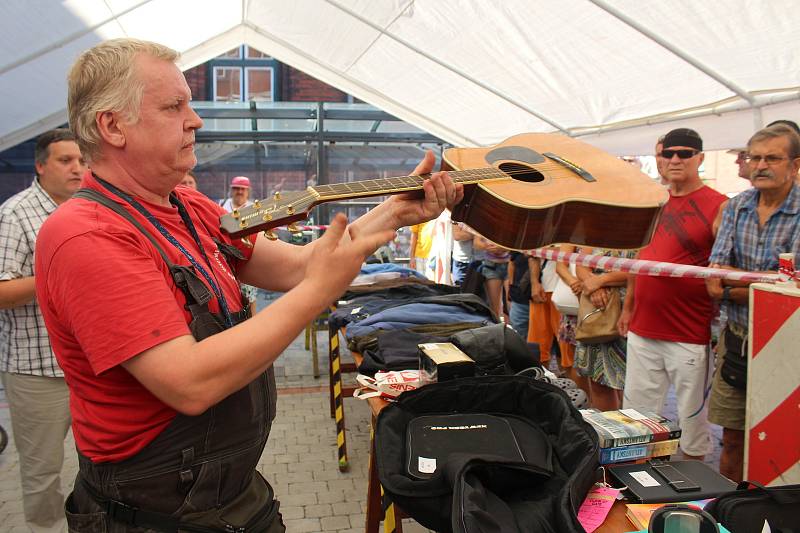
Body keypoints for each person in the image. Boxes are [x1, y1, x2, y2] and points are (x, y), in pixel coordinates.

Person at [34, 38, 462, 532]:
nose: (195, 120)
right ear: (112, 125)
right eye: (174, 106)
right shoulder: (87, 234)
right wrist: (319, 292)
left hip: (225, 492)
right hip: (151, 510)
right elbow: (189, 383)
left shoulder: (188, 208)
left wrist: (395, 211)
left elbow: (297, 267)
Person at [620, 128, 727, 461]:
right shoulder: (651, 200)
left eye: (685, 153)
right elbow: (641, 257)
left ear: (700, 157)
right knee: (637, 419)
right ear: (659, 158)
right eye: (668, 154)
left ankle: (695, 493)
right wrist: (628, 306)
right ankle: (638, 486)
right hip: (643, 326)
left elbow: (722, 266)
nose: (676, 160)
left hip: (688, 332)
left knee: (693, 423)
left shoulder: (718, 205)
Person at [0, 128, 87, 532]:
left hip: (91, 365)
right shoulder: (15, 214)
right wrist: (54, 274)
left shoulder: (91, 210)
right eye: (65, 160)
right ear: (40, 166)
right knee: (42, 472)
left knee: (101, 459)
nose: (77, 168)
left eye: (81, 160)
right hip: (37, 370)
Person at [706, 124, 800, 482]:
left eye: (772, 158)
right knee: (731, 438)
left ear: (794, 165)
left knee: (783, 442)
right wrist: (769, 282)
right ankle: (734, 510)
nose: (760, 165)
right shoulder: (736, 207)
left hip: (788, 346)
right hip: (737, 339)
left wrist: (737, 281)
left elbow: (794, 292)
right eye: (754, 157)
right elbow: (714, 280)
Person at [472, 235, 510, 321]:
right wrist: (489, 246)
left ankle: (510, 330)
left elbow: (519, 245)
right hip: (491, 266)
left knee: (510, 305)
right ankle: (498, 330)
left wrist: (503, 247)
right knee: (493, 306)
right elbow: (476, 243)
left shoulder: (512, 223)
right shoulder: (486, 223)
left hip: (510, 265)